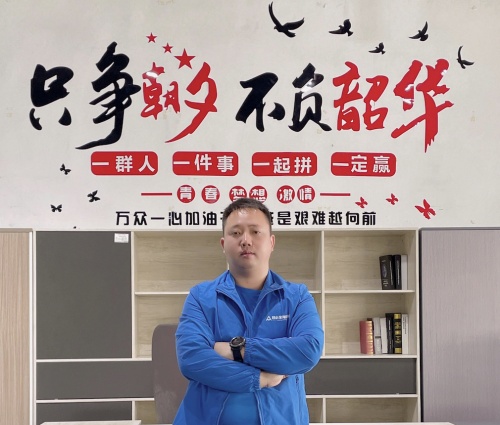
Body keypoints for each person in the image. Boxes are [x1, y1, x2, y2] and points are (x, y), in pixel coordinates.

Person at [173, 197, 324, 425]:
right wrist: (259, 378)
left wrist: (238, 349)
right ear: (223, 244)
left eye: (255, 232)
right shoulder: (201, 297)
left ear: (271, 242)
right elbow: (192, 358)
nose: (245, 240)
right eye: (236, 233)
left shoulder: (296, 297)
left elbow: (307, 351)